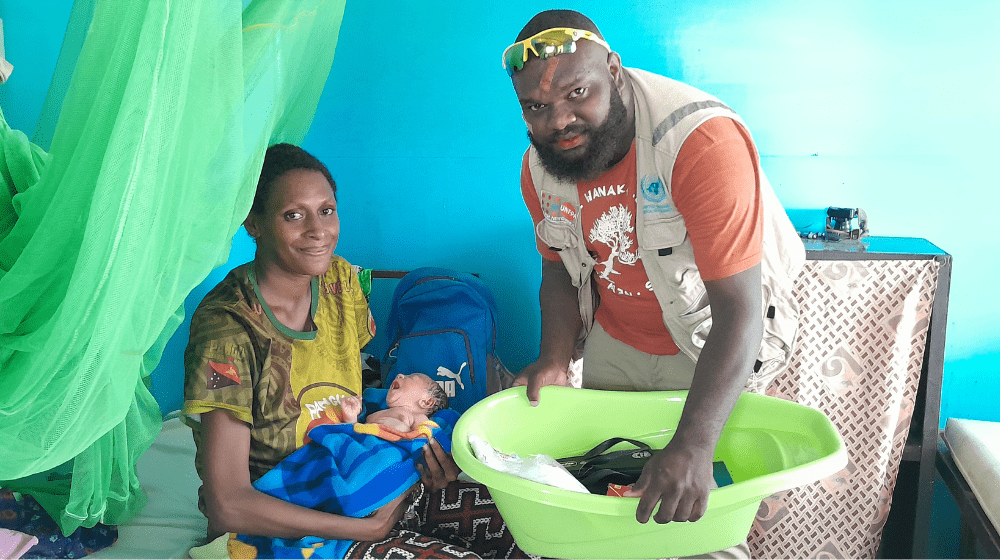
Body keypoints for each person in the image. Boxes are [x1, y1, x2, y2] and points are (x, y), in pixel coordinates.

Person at [506, 9, 805, 554]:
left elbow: (739, 312)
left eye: (578, 92)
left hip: (709, 343)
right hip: (616, 339)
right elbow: (556, 266)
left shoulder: (700, 142)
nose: (559, 120)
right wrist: (554, 358)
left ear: (614, 72)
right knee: (613, 509)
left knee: (694, 514)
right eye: (537, 107)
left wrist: (692, 444)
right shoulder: (542, 164)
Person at [182, 143, 528, 559]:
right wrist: (369, 528)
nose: (318, 230)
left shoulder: (341, 284)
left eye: (327, 210)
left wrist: (419, 456)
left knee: (533, 527)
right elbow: (228, 503)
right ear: (253, 222)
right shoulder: (229, 327)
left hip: (363, 484)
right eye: (293, 215)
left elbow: (360, 401)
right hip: (284, 522)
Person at [340, 373, 449, 432]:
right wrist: (351, 418)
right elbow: (357, 431)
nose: (400, 375)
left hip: (391, 453)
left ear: (427, 402)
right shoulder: (373, 409)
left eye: (412, 377)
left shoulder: (418, 417)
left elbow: (426, 439)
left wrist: (404, 430)